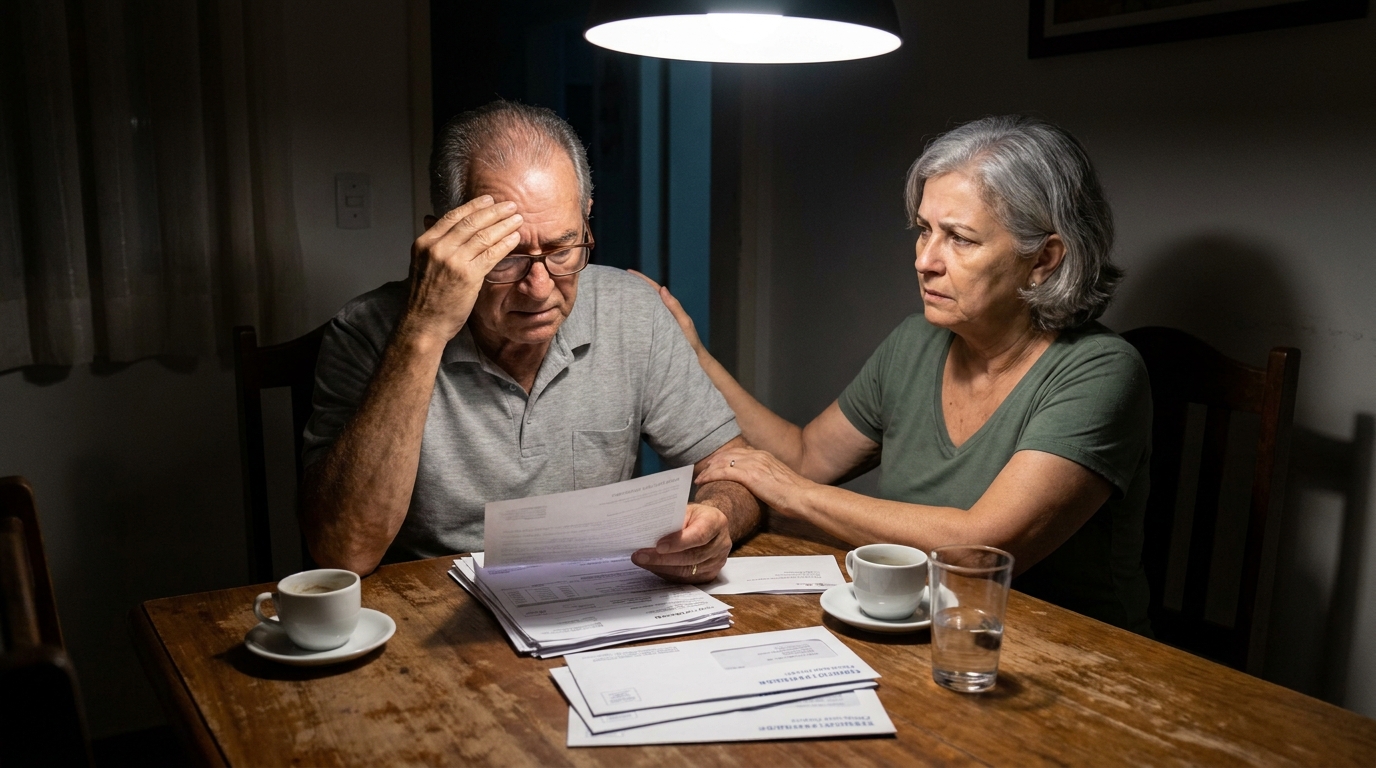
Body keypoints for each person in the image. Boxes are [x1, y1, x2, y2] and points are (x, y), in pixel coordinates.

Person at [640, 116, 1153, 632]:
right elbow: (804, 456)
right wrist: (695, 355)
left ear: (1043, 259)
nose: (925, 260)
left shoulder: (1101, 371)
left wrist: (793, 492)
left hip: (1071, 650)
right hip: (921, 628)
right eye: (925, 230)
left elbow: (982, 549)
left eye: (960, 239)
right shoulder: (916, 341)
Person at [299, 100, 759, 580]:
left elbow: (736, 469)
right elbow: (343, 551)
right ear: (447, 241)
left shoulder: (632, 311)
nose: (539, 288)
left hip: (592, 601)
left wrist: (719, 516)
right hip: (432, 610)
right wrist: (423, 330)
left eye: (562, 248)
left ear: (586, 219)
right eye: (506, 256)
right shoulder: (365, 331)